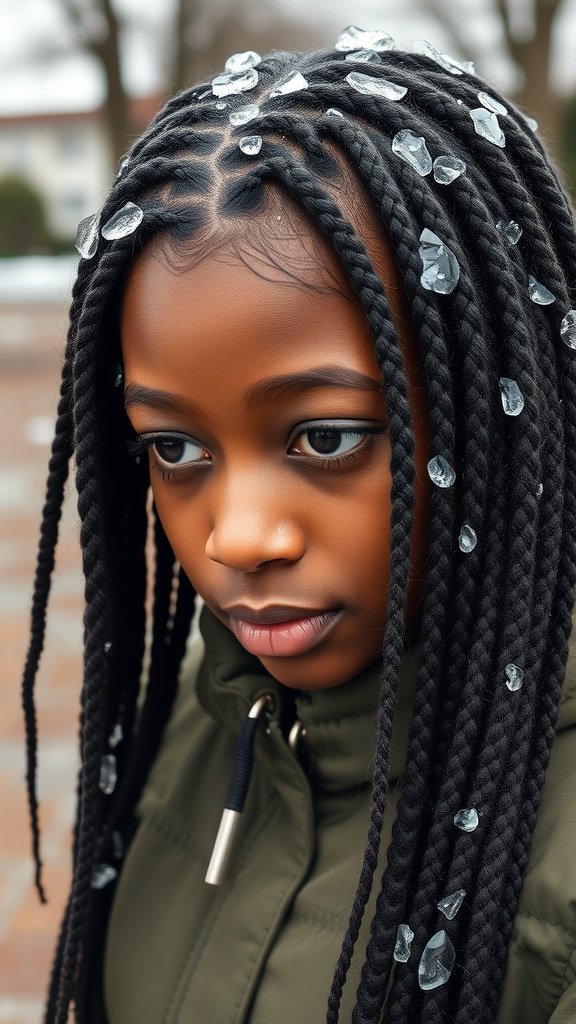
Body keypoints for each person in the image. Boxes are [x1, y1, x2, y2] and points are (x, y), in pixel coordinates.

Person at [21, 31, 576, 1024]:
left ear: (498, 403)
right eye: (176, 448)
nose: (237, 539)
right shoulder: (202, 713)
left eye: (325, 437)